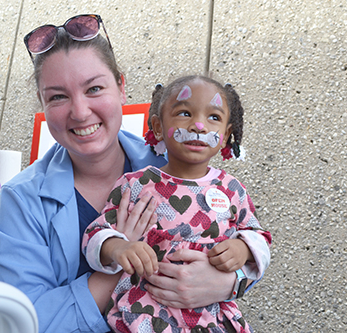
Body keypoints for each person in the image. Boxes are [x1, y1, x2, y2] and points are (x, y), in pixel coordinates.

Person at [0, 14, 264, 333]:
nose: (79, 111)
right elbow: (17, 322)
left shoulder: (177, 165)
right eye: (58, 96)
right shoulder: (20, 201)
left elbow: (239, 240)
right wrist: (120, 259)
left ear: (121, 88)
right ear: (43, 104)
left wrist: (228, 281)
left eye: (94, 88)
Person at [82, 75, 272, 332]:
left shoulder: (231, 189)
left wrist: (244, 249)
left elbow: (258, 237)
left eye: (214, 117)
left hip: (212, 318)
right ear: (158, 127)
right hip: (144, 315)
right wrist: (117, 248)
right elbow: (95, 234)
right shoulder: (136, 184)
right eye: (184, 113)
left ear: (227, 135)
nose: (198, 125)